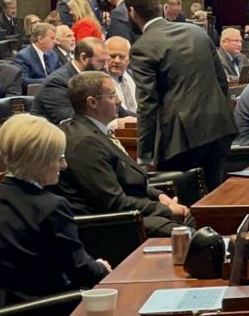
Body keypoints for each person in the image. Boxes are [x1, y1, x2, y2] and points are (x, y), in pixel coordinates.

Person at [0, 113, 110, 312]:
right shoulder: (51, 206)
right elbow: (81, 270)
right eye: (59, 157)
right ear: (40, 160)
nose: (63, 165)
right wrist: (102, 268)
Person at [127, 0, 236, 188]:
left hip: (181, 139)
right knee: (214, 201)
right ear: (159, 6)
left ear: (131, 11)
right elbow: (222, 83)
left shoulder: (143, 47)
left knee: (184, 206)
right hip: (220, 127)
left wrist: (145, 155)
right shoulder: (197, 32)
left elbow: (147, 103)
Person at [58, 71, 192, 237]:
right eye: (112, 95)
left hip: (132, 212)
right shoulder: (85, 143)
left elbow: (127, 178)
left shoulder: (96, 132)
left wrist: (160, 196)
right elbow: (113, 201)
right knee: (190, 234)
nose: (119, 100)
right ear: (92, 102)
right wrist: (166, 209)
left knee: (196, 220)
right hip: (112, 224)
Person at [33, 36, 109, 125]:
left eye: (106, 61)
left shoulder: (95, 78)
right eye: (101, 62)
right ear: (83, 58)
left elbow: (115, 108)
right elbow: (70, 121)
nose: (105, 67)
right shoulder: (56, 83)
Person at [105, 36, 138, 117]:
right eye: (112, 56)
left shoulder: (135, 76)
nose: (117, 61)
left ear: (129, 58)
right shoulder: (101, 81)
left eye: (122, 57)